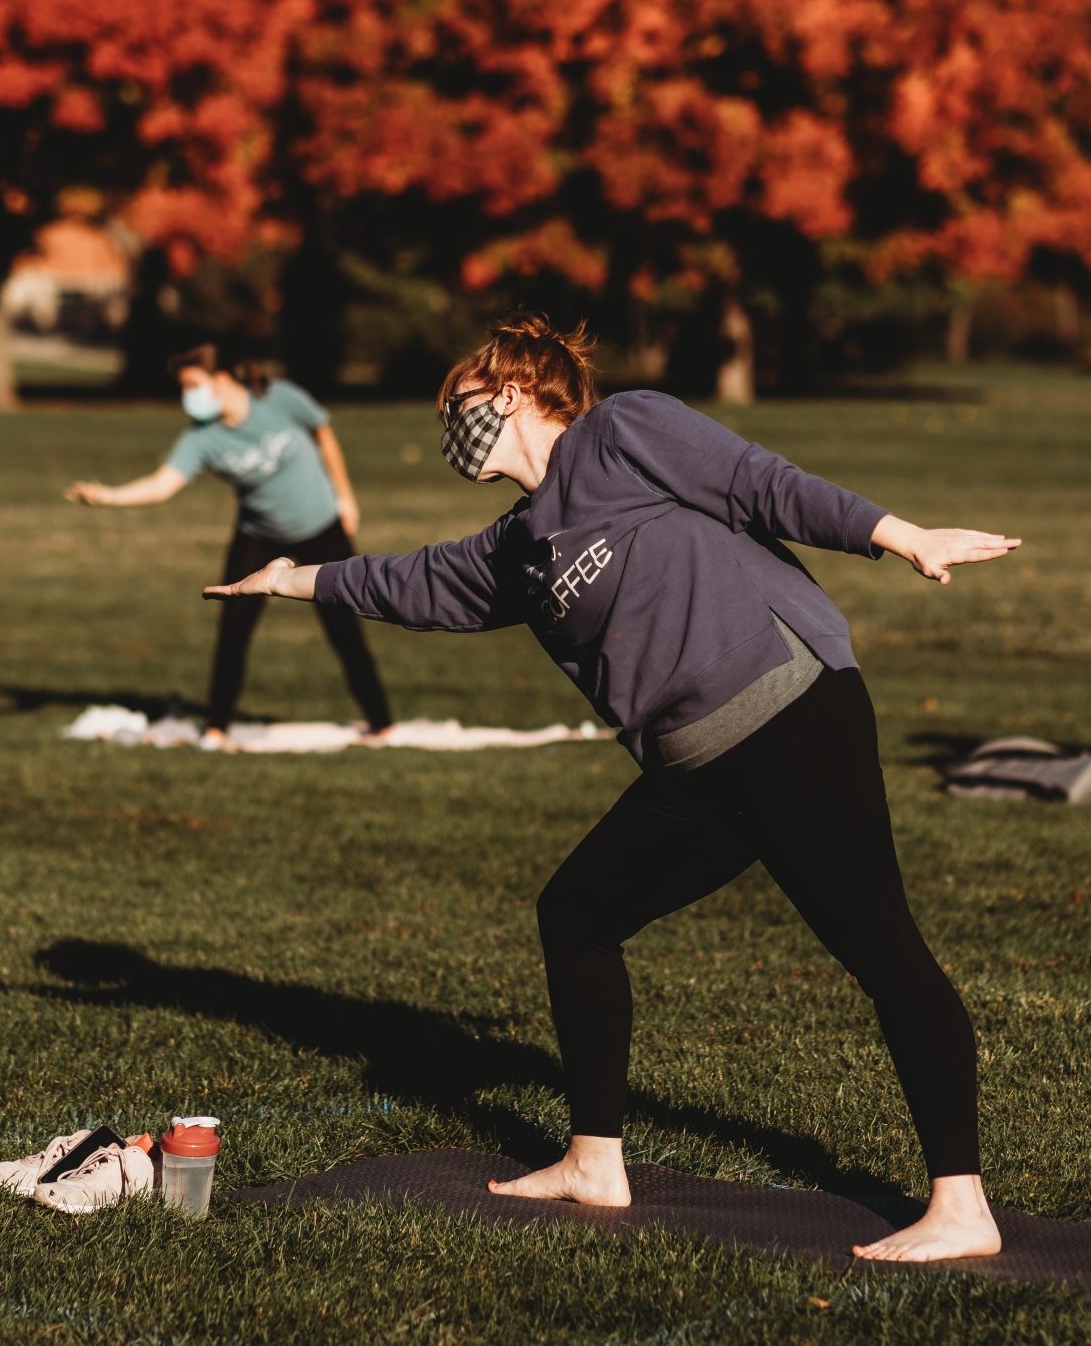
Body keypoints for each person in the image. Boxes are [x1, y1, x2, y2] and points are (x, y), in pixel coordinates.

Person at [203, 314, 1020, 1262]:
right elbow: (415, 584)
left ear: (507, 393)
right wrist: (292, 578)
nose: (446, 432)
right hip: (694, 766)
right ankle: (597, 1158)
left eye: (454, 409)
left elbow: (762, 484)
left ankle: (962, 1206)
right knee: (577, 914)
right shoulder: (517, 546)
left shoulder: (622, 431)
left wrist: (900, 536)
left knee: (880, 947)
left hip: (793, 716)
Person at [68, 346, 392, 748]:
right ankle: (217, 728)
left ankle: (381, 723)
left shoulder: (279, 398)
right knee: (233, 630)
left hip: (321, 527)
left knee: (345, 629)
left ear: (221, 380)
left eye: (192, 386)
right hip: (259, 534)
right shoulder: (203, 439)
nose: (187, 396)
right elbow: (163, 484)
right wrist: (109, 497)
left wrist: (345, 496)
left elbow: (323, 433)